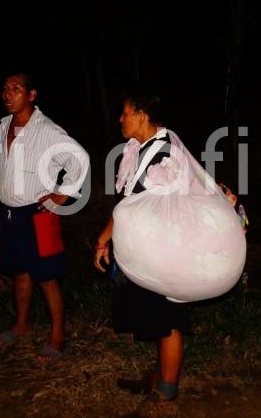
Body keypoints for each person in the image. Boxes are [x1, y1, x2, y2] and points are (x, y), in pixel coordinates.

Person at [0, 72, 89, 363]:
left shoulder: (46, 131)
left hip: (37, 213)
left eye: (16, 89)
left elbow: (79, 159)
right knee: (20, 273)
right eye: (5, 89)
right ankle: (22, 325)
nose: (8, 94)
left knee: (46, 277)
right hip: (9, 213)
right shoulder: (4, 125)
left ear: (31, 95)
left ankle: (58, 336)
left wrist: (61, 195)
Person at [94, 91, 188, 403]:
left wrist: (105, 237)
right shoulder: (142, 149)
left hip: (164, 248)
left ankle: (167, 390)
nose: (120, 119)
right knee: (159, 316)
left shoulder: (163, 153)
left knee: (169, 318)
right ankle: (160, 376)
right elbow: (130, 203)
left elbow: (138, 204)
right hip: (151, 247)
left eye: (125, 112)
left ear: (142, 115)